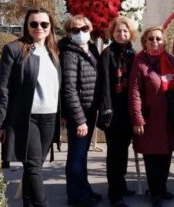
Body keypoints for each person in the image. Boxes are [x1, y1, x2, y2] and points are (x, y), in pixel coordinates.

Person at [0, 8, 60, 207]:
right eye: (34, 24)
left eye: (44, 24)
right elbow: (3, 88)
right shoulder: (14, 49)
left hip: (50, 116)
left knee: (36, 166)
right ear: (27, 26)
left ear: (50, 27)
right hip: (25, 117)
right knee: (32, 166)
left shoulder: (54, 51)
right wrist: (0, 121)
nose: (39, 28)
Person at [128, 27, 174, 207]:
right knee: (151, 158)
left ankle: (162, 187)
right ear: (145, 41)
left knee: (166, 154)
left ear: (164, 41)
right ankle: (155, 193)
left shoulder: (172, 60)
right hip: (149, 119)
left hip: (168, 118)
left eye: (158, 38)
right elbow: (134, 92)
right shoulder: (139, 61)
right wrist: (137, 118)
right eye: (151, 38)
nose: (155, 41)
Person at [60, 15, 102, 206]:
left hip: (90, 109)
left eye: (84, 29)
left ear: (90, 29)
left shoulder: (90, 49)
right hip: (80, 114)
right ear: (68, 33)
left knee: (83, 155)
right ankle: (77, 198)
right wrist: (79, 120)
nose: (80, 33)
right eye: (74, 30)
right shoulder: (69, 53)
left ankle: (84, 190)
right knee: (76, 157)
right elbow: (68, 88)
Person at [97, 17, 137, 207]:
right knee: (115, 154)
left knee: (123, 152)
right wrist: (106, 109)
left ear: (130, 33)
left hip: (128, 110)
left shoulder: (132, 53)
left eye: (125, 31)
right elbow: (104, 84)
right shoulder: (107, 53)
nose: (122, 35)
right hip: (113, 111)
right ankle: (114, 194)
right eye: (118, 31)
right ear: (112, 33)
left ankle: (120, 185)